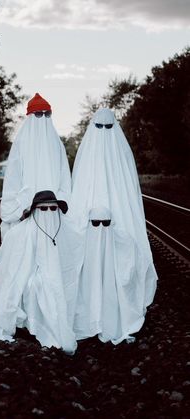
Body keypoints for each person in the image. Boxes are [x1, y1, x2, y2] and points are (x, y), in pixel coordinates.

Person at [70, 108, 157, 342]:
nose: (104, 133)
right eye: (100, 127)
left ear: (114, 128)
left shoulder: (121, 157)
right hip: (93, 222)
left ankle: (115, 307)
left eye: (108, 127)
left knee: (121, 254)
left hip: (115, 221)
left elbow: (130, 194)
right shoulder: (90, 156)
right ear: (93, 129)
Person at [0, 190, 78, 354]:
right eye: (43, 209)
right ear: (35, 211)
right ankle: (32, 325)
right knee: (35, 286)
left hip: (62, 279)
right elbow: (10, 269)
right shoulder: (18, 234)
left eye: (53, 209)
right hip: (29, 281)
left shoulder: (68, 231)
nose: (49, 213)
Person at [0, 93, 71, 239]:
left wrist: (61, 202)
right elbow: (12, 179)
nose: (43, 118)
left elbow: (65, 177)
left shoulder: (57, 145)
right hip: (25, 214)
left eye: (47, 114)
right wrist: (20, 207)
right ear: (31, 115)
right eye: (39, 114)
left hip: (53, 214)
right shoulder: (21, 143)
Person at [74, 207, 145, 344]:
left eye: (105, 223)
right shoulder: (82, 241)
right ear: (89, 223)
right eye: (95, 223)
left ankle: (108, 322)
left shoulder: (120, 239)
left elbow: (132, 257)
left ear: (111, 223)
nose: (100, 228)